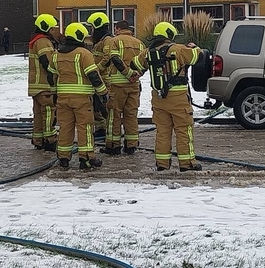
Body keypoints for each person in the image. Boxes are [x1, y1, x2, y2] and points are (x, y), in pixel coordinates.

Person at [132, 21, 205, 172]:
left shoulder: (148, 52)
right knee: (184, 129)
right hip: (178, 97)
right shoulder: (178, 49)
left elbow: (134, 64)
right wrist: (194, 47)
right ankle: (187, 163)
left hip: (158, 97)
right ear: (170, 35)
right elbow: (198, 57)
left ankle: (162, 164)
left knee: (163, 131)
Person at [50, 22, 108, 170]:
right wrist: (103, 93)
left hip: (63, 99)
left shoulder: (56, 54)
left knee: (65, 128)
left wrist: (54, 93)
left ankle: (63, 158)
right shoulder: (84, 54)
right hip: (82, 100)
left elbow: (52, 76)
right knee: (85, 128)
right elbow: (93, 75)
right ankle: (87, 158)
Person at [102, 19, 144, 156]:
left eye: (115, 29)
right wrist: (136, 75)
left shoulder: (115, 41)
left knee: (114, 115)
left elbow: (115, 59)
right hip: (134, 85)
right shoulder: (140, 43)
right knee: (131, 115)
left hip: (117, 85)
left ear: (118, 29)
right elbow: (146, 63)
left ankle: (113, 146)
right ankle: (131, 145)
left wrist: (127, 73)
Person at [28, 14, 60, 152]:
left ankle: (38, 139)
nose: (55, 31)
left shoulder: (36, 40)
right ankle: (50, 139)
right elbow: (47, 62)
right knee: (48, 112)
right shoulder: (43, 42)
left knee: (39, 114)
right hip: (44, 85)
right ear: (46, 28)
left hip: (36, 85)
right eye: (53, 29)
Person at [86, 12, 116, 149]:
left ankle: (107, 131)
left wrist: (96, 70)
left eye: (92, 28)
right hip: (98, 79)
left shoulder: (108, 40)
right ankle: (100, 129)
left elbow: (108, 57)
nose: (91, 31)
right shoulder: (100, 40)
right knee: (96, 106)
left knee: (104, 107)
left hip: (104, 79)